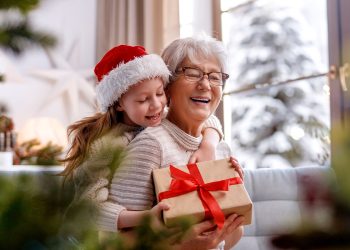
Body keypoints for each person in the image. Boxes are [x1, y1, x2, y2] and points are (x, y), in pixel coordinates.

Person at [60, 44, 229, 231]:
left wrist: (209, 144)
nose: (156, 105)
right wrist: (144, 218)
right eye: (143, 100)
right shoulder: (105, 146)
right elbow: (88, 208)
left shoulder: (157, 118)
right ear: (118, 104)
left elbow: (209, 119)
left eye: (159, 93)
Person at [107, 36, 244, 250]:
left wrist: (233, 201)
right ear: (167, 86)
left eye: (215, 77)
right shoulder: (151, 145)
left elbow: (232, 237)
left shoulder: (218, 145)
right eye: (192, 73)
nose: (205, 84)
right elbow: (111, 242)